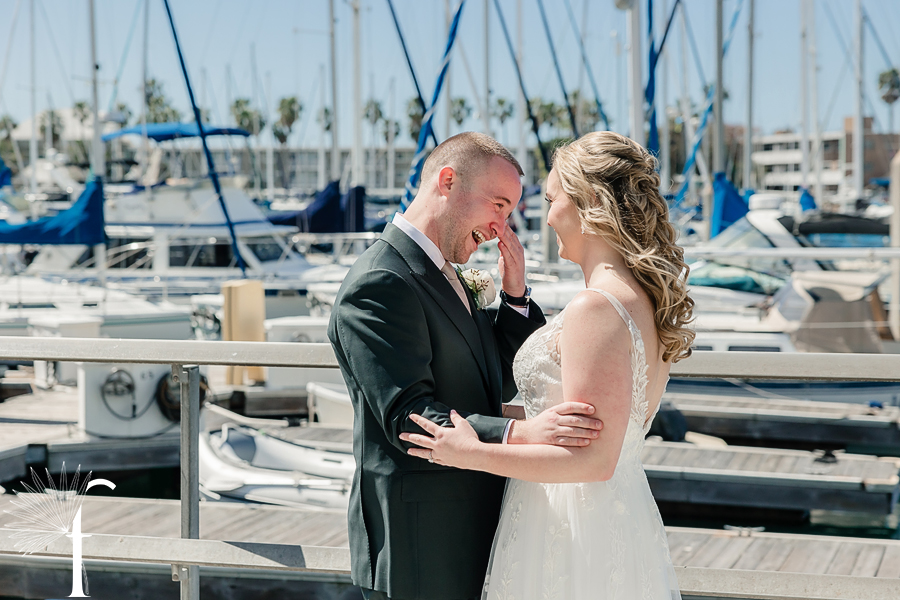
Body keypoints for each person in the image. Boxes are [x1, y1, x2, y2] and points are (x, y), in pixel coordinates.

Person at [401, 131, 695, 600]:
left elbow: (591, 458)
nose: (547, 216)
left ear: (590, 202)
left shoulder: (597, 307)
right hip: (612, 514)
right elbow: (586, 420)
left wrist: (468, 453)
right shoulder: (639, 298)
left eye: (553, 199)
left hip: (570, 523)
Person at [327, 132, 604, 600]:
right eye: (498, 205)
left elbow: (493, 374)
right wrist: (522, 436)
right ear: (448, 181)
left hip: (472, 521)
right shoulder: (381, 281)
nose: (502, 227)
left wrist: (515, 298)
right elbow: (411, 416)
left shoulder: (446, 268)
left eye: (510, 212)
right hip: (422, 535)